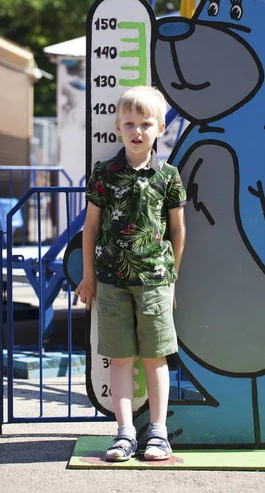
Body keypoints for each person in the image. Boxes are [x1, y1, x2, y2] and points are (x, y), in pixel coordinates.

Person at [76, 86, 186, 461]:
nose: (137, 131)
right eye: (129, 123)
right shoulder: (104, 174)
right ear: (118, 127)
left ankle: (158, 432)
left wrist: (172, 279)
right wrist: (88, 277)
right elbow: (91, 227)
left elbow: (178, 231)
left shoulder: (168, 176)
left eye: (145, 123)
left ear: (160, 128)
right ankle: (124, 434)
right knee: (120, 359)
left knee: (156, 359)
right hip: (110, 281)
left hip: (156, 281)